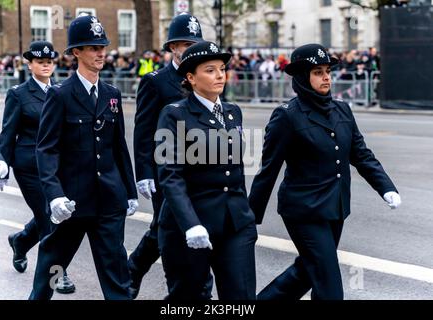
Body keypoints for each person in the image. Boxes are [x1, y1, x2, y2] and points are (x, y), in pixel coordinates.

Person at [248, 43, 401, 300]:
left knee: (309, 271)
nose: (326, 76)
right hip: (304, 211)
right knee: (329, 283)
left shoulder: (342, 110)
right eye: (318, 72)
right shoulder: (287, 116)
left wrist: (386, 187)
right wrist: (250, 218)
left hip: (335, 207)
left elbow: (361, 154)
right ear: (302, 77)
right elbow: (269, 169)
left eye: (327, 70)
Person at [29, 14, 138, 300]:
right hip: (72, 204)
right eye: (92, 47)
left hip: (108, 203)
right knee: (50, 274)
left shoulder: (112, 94)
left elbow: (118, 147)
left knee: (117, 280)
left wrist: (129, 190)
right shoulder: (60, 94)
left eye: (102, 46)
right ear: (76, 52)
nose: (101, 52)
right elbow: (46, 148)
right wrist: (54, 195)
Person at [156, 41, 257, 300]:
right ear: (190, 77)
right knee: (188, 299)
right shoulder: (174, 114)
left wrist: (246, 215)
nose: (220, 75)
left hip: (234, 223)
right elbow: (170, 175)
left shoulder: (233, 112)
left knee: (241, 297)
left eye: (222, 69)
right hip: (191, 224)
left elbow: (235, 169)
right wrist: (190, 225)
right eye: (210, 70)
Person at [129, 12, 212, 299]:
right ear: (173, 47)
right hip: (167, 170)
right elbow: (143, 130)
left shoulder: (205, 74)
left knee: (167, 227)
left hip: (200, 168)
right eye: (185, 44)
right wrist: (144, 172)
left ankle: (133, 269)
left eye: (195, 43)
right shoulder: (156, 81)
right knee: (169, 227)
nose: (191, 49)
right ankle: (194, 289)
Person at [0, 41, 76, 294]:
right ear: (30, 64)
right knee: (51, 219)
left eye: (50, 61)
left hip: (56, 165)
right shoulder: (19, 94)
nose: (46, 65)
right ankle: (58, 273)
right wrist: (1, 166)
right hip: (29, 166)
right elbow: (9, 132)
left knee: (53, 213)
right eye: (40, 62)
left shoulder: (60, 91)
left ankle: (20, 241)